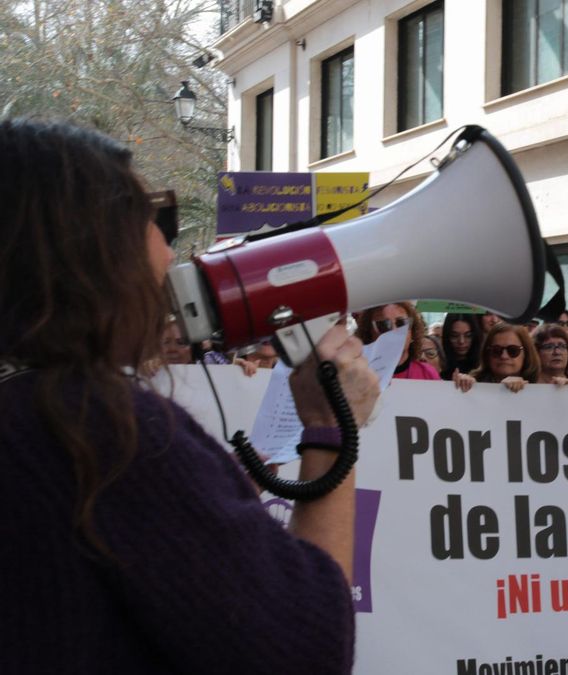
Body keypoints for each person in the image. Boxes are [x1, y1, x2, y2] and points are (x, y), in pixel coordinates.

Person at [0, 119, 378, 672]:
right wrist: (328, 430)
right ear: (93, 247)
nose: (167, 250)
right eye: (154, 218)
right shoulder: (101, 429)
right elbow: (304, 650)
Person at [355, 301, 439, 380]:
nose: (394, 330)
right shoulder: (357, 374)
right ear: (369, 333)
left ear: (412, 332)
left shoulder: (427, 374)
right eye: (384, 325)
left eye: (402, 323)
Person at [455, 323, 540, 393]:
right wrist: (461, 385)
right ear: (487, 354)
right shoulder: (473, 384)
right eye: (496, 350)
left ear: (526, 353)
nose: (504, 356)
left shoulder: (541, 387)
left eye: (513, 350)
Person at [440, 313, 483, 380]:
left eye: (468, 336)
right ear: (447, 336)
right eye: (455, 336)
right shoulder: (439, 366)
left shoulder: (484, 365)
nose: (461, 341)